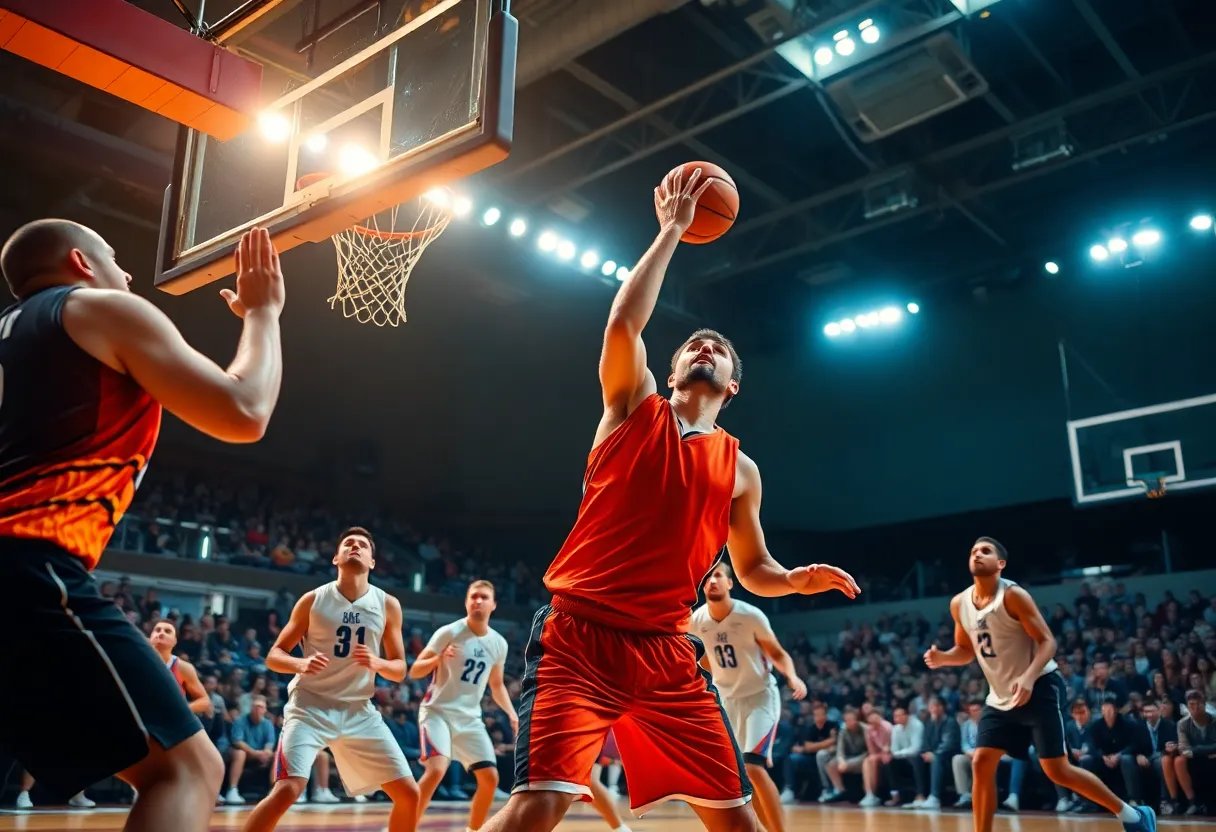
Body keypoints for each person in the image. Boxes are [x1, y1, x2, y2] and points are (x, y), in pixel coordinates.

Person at [482, 167, 860, 832]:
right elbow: (625, 320)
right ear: (676, 369)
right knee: (535, 807)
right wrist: (672, 233)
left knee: (735, 820)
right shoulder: (632, 406)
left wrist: (798, 579)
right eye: (694, 345)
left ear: (733, 385)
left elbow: (752, 570)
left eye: (717, 349)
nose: (705, 348)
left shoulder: (742, 470)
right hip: (580, 636)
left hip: (666, 652)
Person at [0, 222, 285, 832]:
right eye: (113, 258)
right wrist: (263, 314)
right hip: (26, 562)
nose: (126, 275)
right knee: (185, 769)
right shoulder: (99, 307)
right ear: (81, 262)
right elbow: (244, 411)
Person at [924, 537, 1157, 832]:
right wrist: (943, 657)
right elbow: (966, 650)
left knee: (1057, 770)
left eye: (986, 551)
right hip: (1000, 698)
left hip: (1041, 686)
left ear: (1001, 564)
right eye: (973, 551)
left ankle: (1132, 815)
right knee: (981, 762)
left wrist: (1029, 677)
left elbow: (1048, 641)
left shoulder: (1013, 596)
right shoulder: (959, 604)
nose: (977, 554)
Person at [240, 528, 418, 832]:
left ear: (373, 562)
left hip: (358, 710)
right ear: (336, 557)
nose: (355, 547)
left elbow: (400, 669)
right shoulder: (313, 600)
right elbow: (273, 655)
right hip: (310, 707)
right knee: (287, 789)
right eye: (348, 544)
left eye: (362, 545)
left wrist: (377, 662)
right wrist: (301, 662)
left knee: (409, 795)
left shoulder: (388, 605)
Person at [690, 562, 808, 831]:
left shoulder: (750, 615)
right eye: (707, 577)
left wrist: (792, 676)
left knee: (753, 766)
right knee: (739, 775)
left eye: (718, 575)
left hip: (759, 698)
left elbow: (777, 653)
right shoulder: (696, 620)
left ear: (730, 583)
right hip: (726, 701)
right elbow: (702, 662)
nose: (713, 581)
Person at [410, 580, 517, 831]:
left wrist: (512, 713)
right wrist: (438, 657)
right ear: (466, 601)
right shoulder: (449, 632)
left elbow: (497, 685)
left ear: (493, 605)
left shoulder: (499, 643)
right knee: (436, 770)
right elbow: (415, 670)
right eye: (473, 596)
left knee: (490, 779)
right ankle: (404, 825)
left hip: (469, 718)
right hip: (438, 713)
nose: (478, 601)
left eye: (484, 597)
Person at [148, 620, 214, 719]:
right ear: (150, 638)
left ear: (175, 641)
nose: (161, 633)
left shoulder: (183, 667)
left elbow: (204, 701)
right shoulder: (137, 661)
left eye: (167, 631)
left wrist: (183, 709)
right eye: (157, 630)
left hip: (173, 722)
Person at [1123, 699, 1177, 813]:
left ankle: (1165, 801)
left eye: (1152, 711)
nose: (1149, 714)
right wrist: (1138, 755)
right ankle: (1135, 799)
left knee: (1162, 761)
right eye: (1146, 712)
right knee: (1126, 759)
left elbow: (1173, 744)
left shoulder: (1169, 725)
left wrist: (1169, 749)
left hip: (1161, 758)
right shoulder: (1138, 726)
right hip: (1144, 759)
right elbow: (1132, 746)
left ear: (1159, 711)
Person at [1174, 689, 1215, 815]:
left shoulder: (1214, 720)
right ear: (1187, 707)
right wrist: (1207, 751)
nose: (1196, 708)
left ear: (1205, 705)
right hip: (1196, 760)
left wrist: (1195, 750)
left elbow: (1190, 750)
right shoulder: (1182, 724)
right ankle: (1193, 802)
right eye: (1192, 705)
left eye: (1199, 704)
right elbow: (1183, 748)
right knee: (1179, 760)